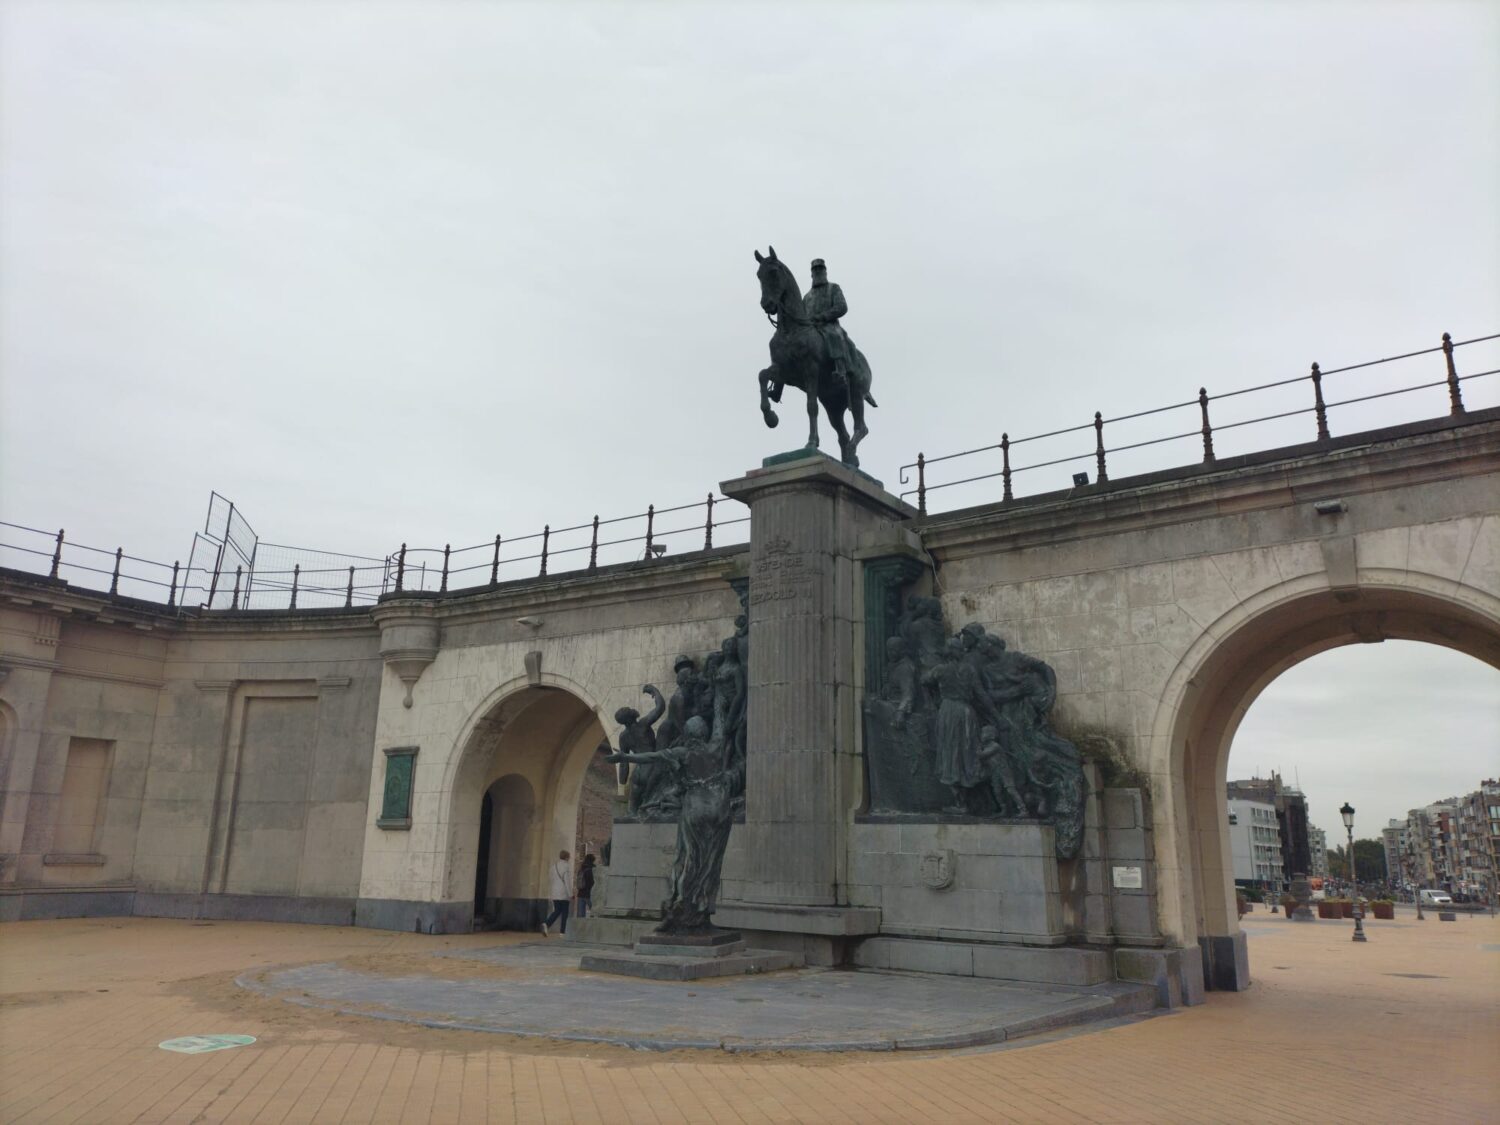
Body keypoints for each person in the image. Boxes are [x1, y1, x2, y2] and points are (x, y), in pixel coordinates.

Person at [804, 258, 852, 396]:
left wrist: (823, 316)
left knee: (834, 335)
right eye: (815, 269)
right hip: (811, 329)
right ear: (811, 274)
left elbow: (842, 307)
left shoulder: (834, 288)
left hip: (829, 325)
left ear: (825, 271)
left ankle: (841, 370)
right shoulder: (807, 297)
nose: (818, 271)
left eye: (820, 269)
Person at [541, 849, 573, 936]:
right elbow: (567, 881)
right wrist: (571, 894)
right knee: (565, 913)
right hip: (563, 893)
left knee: (557, 910)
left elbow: (551, 879)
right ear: (567, 857)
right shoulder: (566, 867)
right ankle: (562, 932)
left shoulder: (554, 866)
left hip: (555, 892)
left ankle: (547, 923)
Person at [576, 853, 596, 918]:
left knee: (580, 916)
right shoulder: (592, 869)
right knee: (595, 912)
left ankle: (579, 928)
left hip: (580, 893)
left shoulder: (581, 868)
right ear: (593, 860)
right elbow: (592, 882)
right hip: (589, 894)